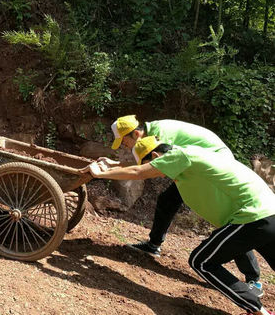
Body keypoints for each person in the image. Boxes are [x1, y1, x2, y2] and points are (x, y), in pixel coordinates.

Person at [86, 136, 275, 315]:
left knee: (201, 261)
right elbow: (138, 167)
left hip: (253, 216)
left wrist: (102, 173)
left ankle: (256, 310)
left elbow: (138, 172)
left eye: (152, 164)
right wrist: (114, 164)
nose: (153, 172)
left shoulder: (179, 156)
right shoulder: (188, 158)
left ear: (155, 156)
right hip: (269, 210)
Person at [107, 115, 263, 293]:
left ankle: (253, 279)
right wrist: (115, 164)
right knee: (168, 199)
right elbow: (147, 163)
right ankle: (153, 244)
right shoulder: (152, 134)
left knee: (227, 217)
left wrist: (110, 170)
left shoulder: (162, 135)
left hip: (215, 163)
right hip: (200, 162)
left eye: (124, 141)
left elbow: (147, 168)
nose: (123, 146)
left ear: (135, 134)